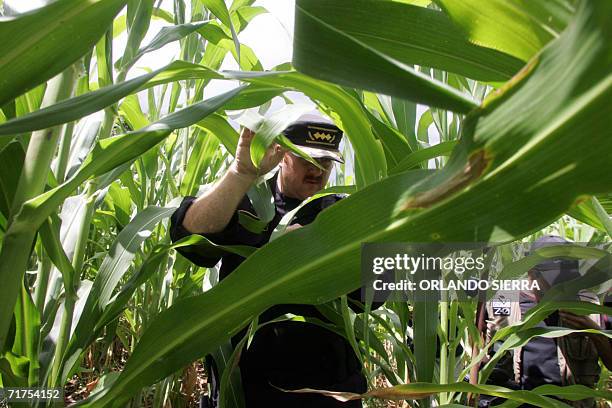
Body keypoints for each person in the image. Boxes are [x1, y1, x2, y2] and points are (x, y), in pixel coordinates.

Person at [170, 114, 367, 407]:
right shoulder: (248, 203)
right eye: (307, 160)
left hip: (327, 388)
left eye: (326, 162)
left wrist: (322, 253)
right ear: (282, 154)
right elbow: (189, 238)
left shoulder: (341, 213)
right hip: (249, 385)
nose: (318, 170)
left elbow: (374, 294)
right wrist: (240, 173)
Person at [480, 235, 612, 408]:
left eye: (569, 281)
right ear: (532, 274)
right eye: (556, 283)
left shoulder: (588, 305)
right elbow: (486, 348)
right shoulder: (506, 301)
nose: (564, 289)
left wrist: (594, 332)